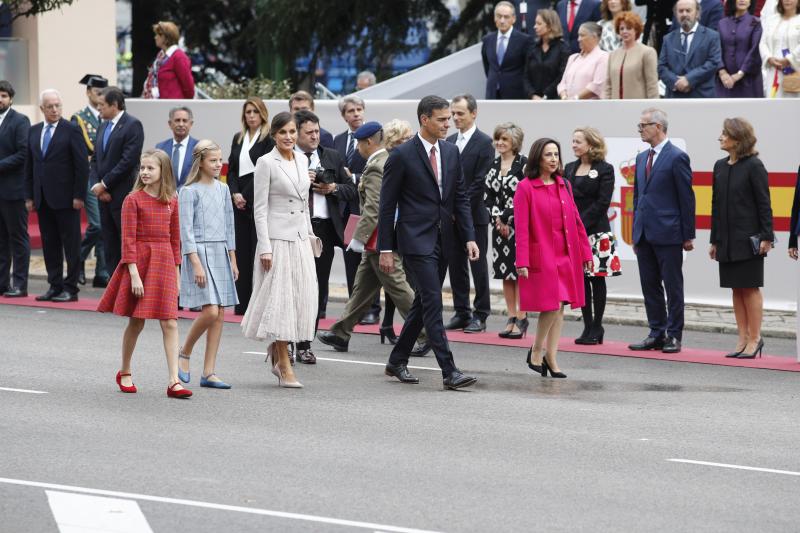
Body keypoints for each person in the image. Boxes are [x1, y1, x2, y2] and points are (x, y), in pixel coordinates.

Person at [378, 95, 480, 390]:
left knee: (423, 303)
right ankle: (450, 371)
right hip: (414, 241)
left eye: (449, 118)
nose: (448, 123)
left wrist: (469, 236)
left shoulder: (450, 152)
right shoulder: (401, 155)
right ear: (425, 119)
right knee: (434, 302)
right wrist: (386, 248)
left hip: (444, 240)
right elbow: (387, 206)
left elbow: (459, 197)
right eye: (442, 119)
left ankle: (397, 360)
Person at [317, 122, 427, 353]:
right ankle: (340, 332)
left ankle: (425, 333)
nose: (356, 148)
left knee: (397, 287)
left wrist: (360, 237)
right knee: (362, 288)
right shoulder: (381, 160)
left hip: (380, 239)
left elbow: (375, 208)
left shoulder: (378, 165)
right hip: (378, 239)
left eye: (358, 143)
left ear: (368, 142)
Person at [97, 149, 192, 399]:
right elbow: (127, 240)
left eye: (151, 168)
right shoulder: (133, 199)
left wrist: (177, 273)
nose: (146, 172)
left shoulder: (172, 200)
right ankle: (125, 370)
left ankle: (173, 381)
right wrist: (134, 274)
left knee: (170, 321)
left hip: (164, 264)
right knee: (137, 321)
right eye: (143, 168)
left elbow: (175, 241)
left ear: (163, 172)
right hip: (139, 263)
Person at [241, 112, 318, 389]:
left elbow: (303, 203)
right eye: (283, 132)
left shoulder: (303, 159)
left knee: (299, 298)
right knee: (281, 301)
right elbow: (259, 210)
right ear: (274, 135)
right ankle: (284, 365)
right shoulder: (265, 162)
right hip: (276, 241)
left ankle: (277, 353)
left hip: (299, 239)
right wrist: (265, 247)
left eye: (292, 132)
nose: (288, 137)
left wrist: (309, 235)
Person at [515, 138, 593, 379]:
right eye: (548, 154)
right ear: (538, 157)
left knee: (560, 307)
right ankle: (537, 350)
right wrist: (522, 261)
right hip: (544, 254)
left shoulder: (564, 185)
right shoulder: (525, 187)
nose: (553, 159)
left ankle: (551, 356)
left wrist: (586, 252)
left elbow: (577, 222)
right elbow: (522, 228)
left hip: (566, 252)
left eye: (556, 154)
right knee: (553, 304)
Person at [629, 108, 695, 354]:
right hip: (644, 233)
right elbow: (638, 197)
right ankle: (656, 332)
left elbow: (686, 198)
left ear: (658, 126)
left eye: (643, 125)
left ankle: (674, 335)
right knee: (649, 285)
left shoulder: (677, 157)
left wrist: (688, 235)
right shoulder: (640, 158)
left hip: (669, 233)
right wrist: (636, 230)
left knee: (673, 286)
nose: (640, 130)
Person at [294, 109, 357, 364]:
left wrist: (333, 188)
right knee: (295, 287)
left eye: (317, 131)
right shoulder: (287, 158)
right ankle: (287, 340)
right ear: (296, 134)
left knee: (317, 289)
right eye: (308, 132)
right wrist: (301, 180)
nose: (314, 136)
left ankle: (305, 343)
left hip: (324, 231)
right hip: (295, 229)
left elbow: (352, 190)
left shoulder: (331, 156)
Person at [177, 140, 239, 389]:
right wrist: (195, 262)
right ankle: (184, 352)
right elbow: (186, 231)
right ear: (200, 161)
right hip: (199, 253)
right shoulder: (188, 191)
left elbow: (229, 226)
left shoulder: (223, 189)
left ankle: (209, 372)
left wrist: (233, 259)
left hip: (221, 250)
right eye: (213, 160)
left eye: (219, 160)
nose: (218, 165)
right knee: (210, 311)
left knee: (221, 312)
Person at [710, 118, 773, 359]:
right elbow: (716, 205)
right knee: (736, 288)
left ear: (738, 139)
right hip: (726, 239)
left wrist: (767, 237)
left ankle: (756, 338)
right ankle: (743, 337)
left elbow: (764, 204)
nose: (720, 137)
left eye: (725, 134)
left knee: (750, 287)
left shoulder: (754, 165)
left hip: (750, 238)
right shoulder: (719, 166)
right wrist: (715, 240)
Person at [24, 89, 88, 303]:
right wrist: (29, 196)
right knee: (49, 244)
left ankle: (71, 288)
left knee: (71, 245)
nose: (54, 109)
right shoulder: (33, 132)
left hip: (67, 198)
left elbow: (82, 166)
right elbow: (30, 166)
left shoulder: (71, 130)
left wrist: (79, 195)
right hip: (42, 198)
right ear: (42, 108)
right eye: (50, 106)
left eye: (57, 105)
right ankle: (54, 285)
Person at [563, 127, 619, 345]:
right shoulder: (568, 168)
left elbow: (602, 203)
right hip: (574, 233)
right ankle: (587, 326)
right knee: (581, 280)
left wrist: (581, 225)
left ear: (591, 144)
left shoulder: (605, 169)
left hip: (596, 231)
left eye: (578, 141)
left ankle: (598, 326)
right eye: (573, 141)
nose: (574, 145)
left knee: (597, 279)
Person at [445, 94, 495, 333]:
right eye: (453, 113)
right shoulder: (451, 140)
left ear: (473, 113)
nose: (455, 118)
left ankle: (481, 313)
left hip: (474, 216)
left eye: (460, 113)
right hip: (450, 216)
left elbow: (480, 181)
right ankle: (462, 311)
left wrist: (459, 208)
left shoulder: (484, 142)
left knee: (477, 265)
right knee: (456, 265)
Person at [89, 86, 145, 274]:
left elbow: (128, 161)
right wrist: (98, 186)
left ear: (114, 105)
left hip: (123, 195)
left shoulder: (132, 125)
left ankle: (129, 287)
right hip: (103, 196)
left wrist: (104, 184)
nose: (99, 109)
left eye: (102, 105)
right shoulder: (103, 125)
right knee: (109, 243)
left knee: (126, 242)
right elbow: (96, 159)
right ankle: (113, 289)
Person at [227, 96, 274, 316]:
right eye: (248, 112)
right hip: (239, 202)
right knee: (242, 252)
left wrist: (245, 194)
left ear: (262, 113)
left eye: (255, 111)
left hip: (258, 198)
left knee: (258, 250)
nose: (252, 116)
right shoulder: (238, 138)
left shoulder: (269, 139)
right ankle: (242, 302)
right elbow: (232, 170)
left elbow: (264, 171)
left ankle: (258, 302)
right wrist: (235, 193)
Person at [333, 95, 376, 324]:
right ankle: (355, 307)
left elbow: (377, 171)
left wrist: (355, 177)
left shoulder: (374, 138)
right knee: (351, 260)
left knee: (370, 259)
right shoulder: (338, 140)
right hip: (345, 210)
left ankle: (372, 309)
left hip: (366, 208)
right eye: (351, 111)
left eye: (360, 109)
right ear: (344, 116)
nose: (356, 113)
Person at [484, 123, 529, 339]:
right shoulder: (492, 165)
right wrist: (497, 220)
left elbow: (526, 195)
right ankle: (511, 316)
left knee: (519, 272)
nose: (500, 143)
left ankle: (522, 315)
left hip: (519, 227)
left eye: (505, 139)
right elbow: (488, 196)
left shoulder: (524, 165)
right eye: (497, 139)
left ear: (515, 143)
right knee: (505, 273)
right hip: (499, 229)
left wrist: (507, 218)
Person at [377, 119, 416, 341]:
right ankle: (421, 332)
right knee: (400, 281)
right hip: (394, 227)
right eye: (406, 137)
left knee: (396, 280)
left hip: (402, 225)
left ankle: (386, 324)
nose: (411, 141)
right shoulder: (392, 160)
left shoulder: (403, 157)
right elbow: (386, 202)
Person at [73, 74, 109, 288]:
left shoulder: (109, 116)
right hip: (88, 176)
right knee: (96, 224)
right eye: (96, 92)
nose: (100, 96)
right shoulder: (79, 118)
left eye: (103, 93)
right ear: (88, 92)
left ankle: (101, 272)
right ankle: (76, 261)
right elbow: (86, 148)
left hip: (108, 176)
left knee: (105, 224)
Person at [0, 80, 31, 298]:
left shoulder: (20, 121)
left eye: (3, 95)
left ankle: (20, 284)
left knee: (18, 238)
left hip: (13, 190)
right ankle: (2, 283)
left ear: (10, 98)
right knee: (0, 240)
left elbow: (23, 153)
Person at [658, 0, 723, 98]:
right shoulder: (668, 39)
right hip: (675, 97)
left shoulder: (712, 36)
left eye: (688, 10)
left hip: (702, 97)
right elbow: (661, 67)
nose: (684, 14)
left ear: (697, 13)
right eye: (680, 11)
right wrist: (676, 82)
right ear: (676, 14)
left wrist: (689, 80)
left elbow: (713, 62)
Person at [482, 1, 534, 99]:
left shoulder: (524, 40)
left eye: (506, 17)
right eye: (499, 16)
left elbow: (529, 69)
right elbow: (488, 66)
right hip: (492, 94)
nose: (502, 20)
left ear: (513, 19)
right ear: (494, 18)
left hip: (515, 94)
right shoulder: (487, 40)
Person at [604, 12, 659, 98]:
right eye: (621, 29)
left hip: (638, 107)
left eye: (629, 28)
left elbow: (652, 85)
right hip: (615, 107)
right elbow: (608, 85)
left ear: (636, 30)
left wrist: (653, 108)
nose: (624, 31)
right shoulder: (613, 55)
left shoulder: (647, 52)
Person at [716, 0, 764, 97]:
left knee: (748, 111)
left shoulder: (756, 22)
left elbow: (754, 51)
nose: (742, 0)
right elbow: (716, 49)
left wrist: (740, 74)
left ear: (751, 2)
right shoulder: (721, 23)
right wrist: (722, 72)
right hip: (724, 81)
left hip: (748, 80)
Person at [524, 8, 572, 100]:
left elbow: (562, 76)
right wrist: (532, 95)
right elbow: (525, 76)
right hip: (532, 101)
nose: (535, 26)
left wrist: (546, 95)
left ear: (550, 26)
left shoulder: (563, 49)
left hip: (554, 100)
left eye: (539, 23)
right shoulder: (533, 48)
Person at [142, 21, 195, 99]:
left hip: (173, 107)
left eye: (158, 35)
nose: (155, 37)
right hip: (159, 105)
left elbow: (189, 88)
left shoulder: (179, 57)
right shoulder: (161, 56)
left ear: (166, 38)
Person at [558, 22, 610, 99]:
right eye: (578, 35)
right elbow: (562, 83)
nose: (579, 39)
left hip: (590, 107)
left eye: (582, 35)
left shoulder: (603, 57)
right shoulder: (573, 58)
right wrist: (564, 97)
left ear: (594, 37)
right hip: (569, 106)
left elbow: (597, 85)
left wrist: (575, 98)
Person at [759, 0, 800, 98]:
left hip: (795, 71)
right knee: (774, 106)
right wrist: (768, 58)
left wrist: (789, 59)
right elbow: (763, 42)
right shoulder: (772, 20)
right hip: (774, 71)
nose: (787, 0)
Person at [155, 106, 198, 189]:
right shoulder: (160, 147)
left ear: (191, 124)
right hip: (165, 198)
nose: (181, 124)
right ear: (170, 124)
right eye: (177, 120)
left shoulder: (199, 147)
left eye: (184, 121)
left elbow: (200, 177)